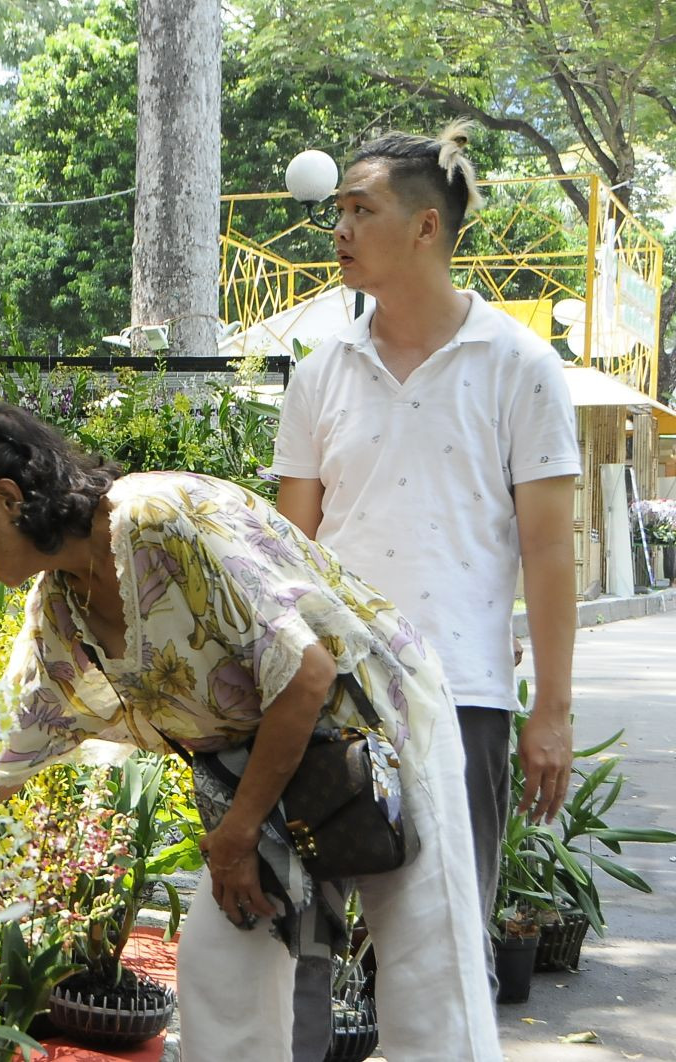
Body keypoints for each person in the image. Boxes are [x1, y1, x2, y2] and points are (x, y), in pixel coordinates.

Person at [0, 406, 500, 1061]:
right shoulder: (62, 603)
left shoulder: (159, 521)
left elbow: (306, 674)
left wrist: (240, 830)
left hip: (383, 730)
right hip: (274, 773)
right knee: (223, 975)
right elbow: (13, 744)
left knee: (428, 984)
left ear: (7, 500)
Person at [270, 123, 580, 1046]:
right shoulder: (321, 376)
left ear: (426, 227)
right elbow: (290, 551)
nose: (341, 229)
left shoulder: (518, 365)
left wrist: (552, 711)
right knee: (298, 941)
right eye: (339, 212)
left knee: (440, 953)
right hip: (327, 695)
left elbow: (550, 551)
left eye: (362, 209)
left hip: (461, 698)